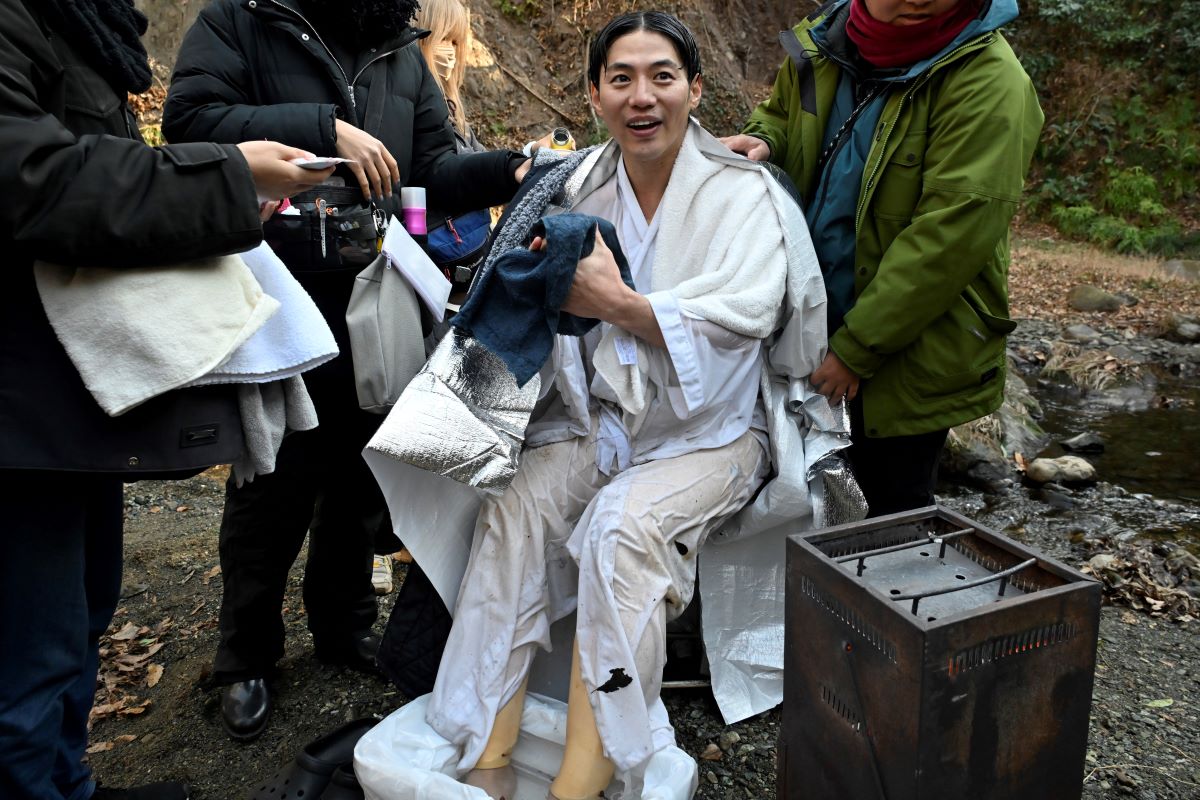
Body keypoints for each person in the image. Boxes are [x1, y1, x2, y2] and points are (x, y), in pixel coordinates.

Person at [422, 12, 830, 800]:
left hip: (713, 436)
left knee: (619, 532)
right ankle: (482, 746)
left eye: (662, 77)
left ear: (696, 89)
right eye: (621, 79)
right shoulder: (576, 186)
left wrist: (621, 304)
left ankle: (589, 769)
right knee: (513, 513)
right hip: (606, 423)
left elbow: (746, 312)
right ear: (594, 96)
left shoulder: (743, 195)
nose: (643, 97)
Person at [161, 0, 530, 742]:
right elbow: (189, 124)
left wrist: (509, 170)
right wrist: (321, 129)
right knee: (271, 484)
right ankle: (245, 659)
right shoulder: (242, 20)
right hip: (275, 295)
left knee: (363, 475)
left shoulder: (398, 44)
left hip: (376, 296)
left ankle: (344, 626)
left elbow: (429, 175)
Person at [0, 0, 334, 798]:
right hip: (16, 401)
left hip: (70, 392)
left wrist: (211, 197)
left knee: (82, 610)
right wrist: (228, 174)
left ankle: (67, 780)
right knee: (27, 649)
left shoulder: (80, 27)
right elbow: (37, 180)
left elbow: (108, 183)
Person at [723, 0, 1043, 517]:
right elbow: (784, 118)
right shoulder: (825, 44)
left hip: (905, 354)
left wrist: (857, 350)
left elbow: (948, 239)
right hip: (803, 328)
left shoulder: (990, 82)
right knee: (795, 506)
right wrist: (765, 142)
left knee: (888, 516)